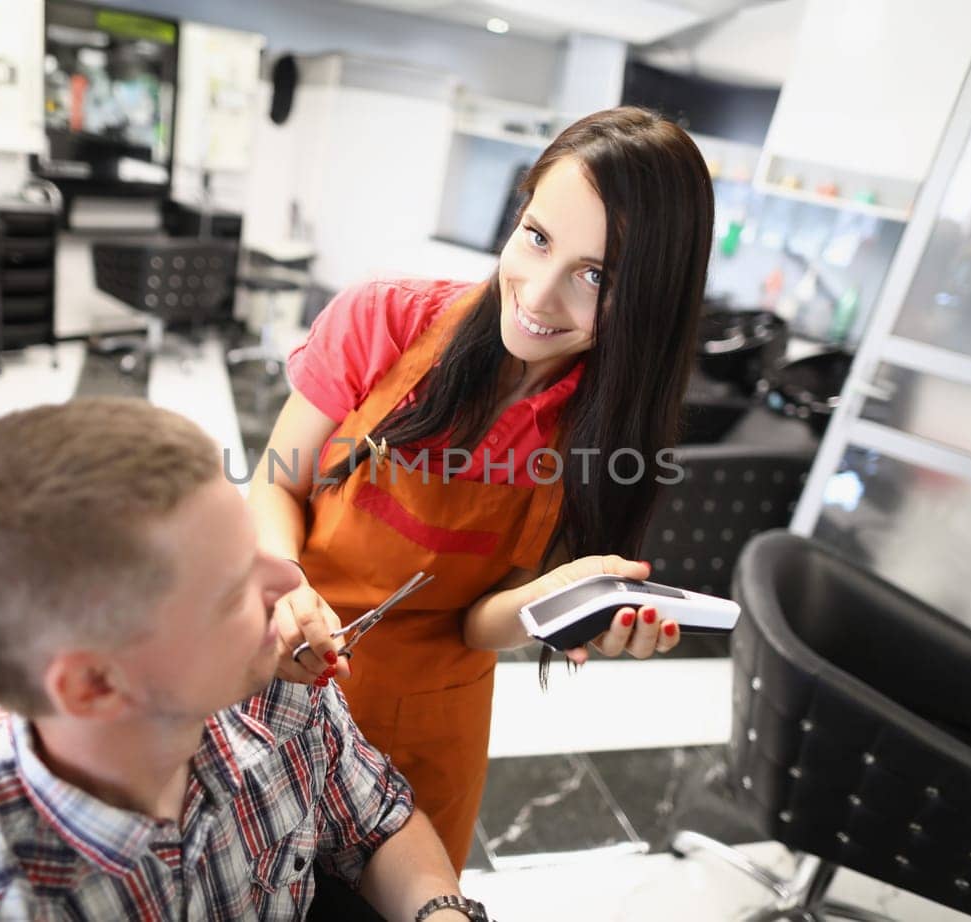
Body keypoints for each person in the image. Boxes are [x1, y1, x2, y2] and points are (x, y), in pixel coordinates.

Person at [247, 106, 716, 869]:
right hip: (281, 654)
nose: (536, 294)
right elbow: (273, 484)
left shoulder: (608, 438)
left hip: (426, 722)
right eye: (535, 238)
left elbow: (479, 627)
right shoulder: (385, 319)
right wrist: (288, 584)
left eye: (595, 275)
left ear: (651, 298)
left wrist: (563, 604)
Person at [0, 398, 486, 922]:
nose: (289, 584)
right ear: (95, 686)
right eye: (230, 590)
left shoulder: (274, 681)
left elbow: (376, 823)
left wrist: (440, 911)